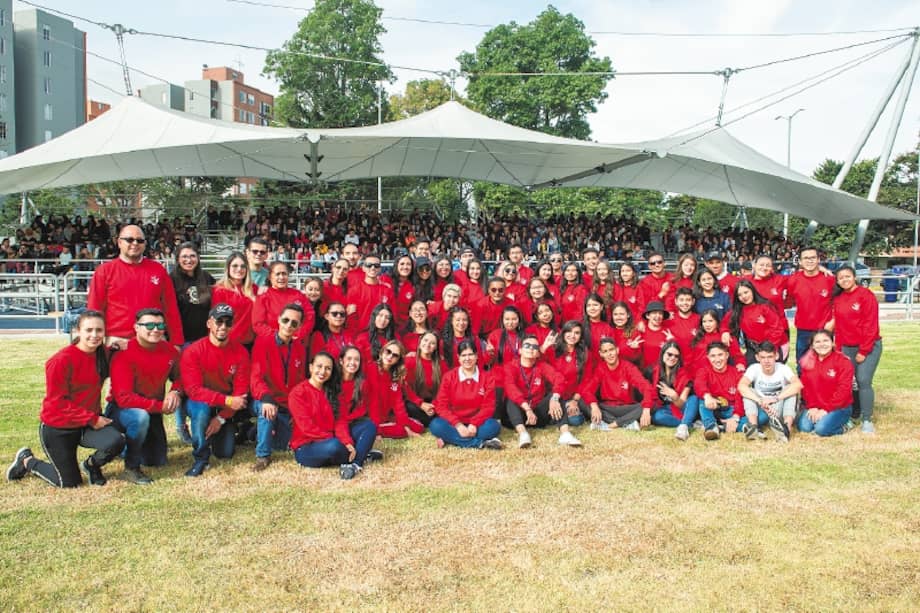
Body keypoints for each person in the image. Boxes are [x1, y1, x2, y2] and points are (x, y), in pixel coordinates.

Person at [7, 311, 125, 488]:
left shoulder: (103, 354)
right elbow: (58, 403)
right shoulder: (61, 361)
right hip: (59, 427)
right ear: (78, 331)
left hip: (86, 425)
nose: (94, 335)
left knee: (116, 440)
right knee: (69, 483)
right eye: (89, 330)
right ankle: (27, 461)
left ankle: (91, 466)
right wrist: (93, 419)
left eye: (99, 330)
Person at [107, 308, 182, 484]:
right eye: (149, 325)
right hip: (123, 410)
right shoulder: (123, 353)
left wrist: (175, 390)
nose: (155, 329)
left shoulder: (170, 351)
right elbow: (124, 398)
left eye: (160, 325)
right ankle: (131, 467)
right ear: (136, 327)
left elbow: (181, 377)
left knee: (157, 460)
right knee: (140, 417)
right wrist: (160, 407)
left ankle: (127, 446)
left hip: (152, 409)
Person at [180, 304, 251, 477]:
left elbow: (240, 395)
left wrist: (221, 418)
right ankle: (201, 458)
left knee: (225, 453)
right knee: (202, 410)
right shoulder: (193, 351)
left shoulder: (240, 352)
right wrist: (227, 401)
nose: (223, 327)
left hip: (223, 408)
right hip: (200, 402)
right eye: (219, 322)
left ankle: (227, 429)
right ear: (209, 323)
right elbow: (194, 390)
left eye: (228, 323)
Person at [87, 224, 184, 349]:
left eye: (140, 240)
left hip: (153, 338)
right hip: (118, 342)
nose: (135, 243)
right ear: (119, 242)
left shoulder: (158, 270)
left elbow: (170, 308)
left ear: (145, 244)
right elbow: (94, 310)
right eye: (129, 239)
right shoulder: (104, 271)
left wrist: (176, 342)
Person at [288, 351, 378, 480]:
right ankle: (362, 453)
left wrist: (346, 441)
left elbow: (340, 421)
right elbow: (307, 428)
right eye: (319, 366)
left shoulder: (332, 391)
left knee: (369, 426)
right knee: (334, 446)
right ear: (310, 367)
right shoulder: (298, 393)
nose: (323, 371)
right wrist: (340, 441)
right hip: (307, 447)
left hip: (334, 438)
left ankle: (356, 464)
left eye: (328, 368)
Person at [249, 304, 308, 471]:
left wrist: (296, 409)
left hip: (285, 403)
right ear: (278, 320)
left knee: (283, 445)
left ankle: (254, 433)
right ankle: (262, 455)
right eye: (286, 320)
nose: (289, 325)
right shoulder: (263, 342)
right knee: (266, 411)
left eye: (294, 323)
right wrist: (266, 399)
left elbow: (299, 382)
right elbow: (256, 377)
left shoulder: (299, 348)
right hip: (265, 399)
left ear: (299, 327)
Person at [504, 333, 583, 448]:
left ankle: (565, 434)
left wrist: (554, 398)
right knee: (511, 399)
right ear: (520, 350)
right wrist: (527, 409)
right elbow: (510, 388)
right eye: (527, 346)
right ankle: (523, 434)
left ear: (538, 353)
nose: (531, 349)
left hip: (537, 415)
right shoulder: (511, 367)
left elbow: (559, 379)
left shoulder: (541, 366)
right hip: (518, 415)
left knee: (556, 395)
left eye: (535, 347)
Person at [829, 265, 882, 434]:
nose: (844, 280)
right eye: (841, 278)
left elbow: (870, 326)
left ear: (854, 277)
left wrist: (863, 351)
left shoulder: (866, 296)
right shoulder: (838, 299)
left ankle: (867, 419)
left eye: (847, 276)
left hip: (867, 345)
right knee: (849, 382)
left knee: (863, 380)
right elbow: (839, 327)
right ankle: (853, 414)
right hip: (846, 346)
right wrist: (838, 349)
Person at [429, 340, 503, 450]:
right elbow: (441, 406)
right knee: (435, 425)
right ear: (458, 357)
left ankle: (450, 438)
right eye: (463, 355)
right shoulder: (449, 377)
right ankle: (479, 443)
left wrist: (474, 424)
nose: (467, 359)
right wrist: (458, 425)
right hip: (454, 421)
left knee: (493, 426)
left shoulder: (487, 378)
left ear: (477, 356)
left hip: (478, 423)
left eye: (470, 354)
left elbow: (488, 407)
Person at [695, 342, 765, 441]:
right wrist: (707, 396)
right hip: (714, 407)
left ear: (727, 355)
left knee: (762, 416)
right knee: (702, 399)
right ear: (708, 357)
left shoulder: (736, 373)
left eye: (720, 355)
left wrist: (735, 417)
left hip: (731, 409)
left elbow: (740, 397)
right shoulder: (704, 371)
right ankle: (711, 426)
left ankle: (729, 426)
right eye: (713, 356)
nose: (717, 359)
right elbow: (699, 385)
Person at [579, 338, 654, 431]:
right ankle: (628, 423)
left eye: (611, 350)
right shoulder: (600, 368)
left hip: (626, 408)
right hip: (607, 407)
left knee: (652, 404)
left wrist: (646, 409)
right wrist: (594, 407)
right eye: (605, 351)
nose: (609, 354)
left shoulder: (628, 367)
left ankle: (612, 424)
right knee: (582, 401)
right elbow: (587, 390)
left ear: (617, 350)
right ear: (601, 354)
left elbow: (646, 386)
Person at [737, 341, 801, 442]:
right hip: (762, 407)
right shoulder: (754, 368)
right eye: (763, 357)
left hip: (778, 407)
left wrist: (775, 399)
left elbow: (798, 385)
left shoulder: (783, 368)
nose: (766, 361)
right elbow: (741, 386)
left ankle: (786, 430)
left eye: (770, 357)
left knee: (791, 389)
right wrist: (759, 401)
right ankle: (754, 428)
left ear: (776, 356)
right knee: (749, 391)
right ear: (757, 358)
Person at [797, 330, 856, 437]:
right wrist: (812, 407)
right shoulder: (807, 361)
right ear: (812, 345)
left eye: (826, 340)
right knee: (804, 428)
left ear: (833, 343)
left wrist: (826, 410)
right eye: (817, 342)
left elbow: (844, 390)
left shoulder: (843, 361)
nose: (822, 344)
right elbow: (804, 388)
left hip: (838, 407)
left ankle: (846, 425)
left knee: (821, 429)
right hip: (815, 406)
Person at [786, 247, 835, 364]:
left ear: (818, 260)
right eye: (806, 258)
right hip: (803, 330)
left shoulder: (830, 279)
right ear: (800, 261)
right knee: (803, 365)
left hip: (825, 329)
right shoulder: (793, 279)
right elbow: (788, 301)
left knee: (827, 365)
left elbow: (840, 303)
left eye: (813, 258)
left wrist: (833, 322)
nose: (809, 261)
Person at [366, 339, 424, 438]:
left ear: (398, 359)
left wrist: (406, 427)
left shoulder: (395, 376)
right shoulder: (371, 368)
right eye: (388, 352)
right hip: (369, 417)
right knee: (401, 430)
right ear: (382, 351)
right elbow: (373, 402)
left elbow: (398, 403)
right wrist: (377, 431)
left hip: (386, 416)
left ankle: (388, 426)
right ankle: (377, 429)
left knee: (419, 428)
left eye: (395, 355)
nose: (390, 357)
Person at [649, 341, 698, 441]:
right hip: (667, 408)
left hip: (684, 408)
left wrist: (674, 396)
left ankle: (684, 426)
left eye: (676, 356)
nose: (672, 358)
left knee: (694, 398)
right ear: (663, 353)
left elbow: (682, 404)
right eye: (669, 354)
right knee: (657, 417)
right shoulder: (653, 372)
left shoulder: (684, 375)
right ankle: (692, 424)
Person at [729, 280, 787, 364]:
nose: (744, 296)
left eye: (746, 292)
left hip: (772, 346)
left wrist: (767, 348)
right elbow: (725, 323)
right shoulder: (738, 311)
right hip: (753, 348)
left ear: (752, 290)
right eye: (740, 295)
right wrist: (725, 332)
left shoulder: (765, 307)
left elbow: (777, 329)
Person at [253, 262, 313, 340]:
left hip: (295, 342)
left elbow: (309, 316)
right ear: (270, 276)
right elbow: (258, 324)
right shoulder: (263, 297)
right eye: (277, 274)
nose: (281, 277)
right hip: (270, 343)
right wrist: (279, 337)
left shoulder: (298, 294)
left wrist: (298, 334)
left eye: (284, 274)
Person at [211, 251, 259, 348]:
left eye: (243, 266)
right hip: (228, 343)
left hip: (250, 341)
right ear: (228, 268)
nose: (239, 269)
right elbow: (216, 320)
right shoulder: (220, 290)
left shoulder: (254, 288)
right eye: (235, 266)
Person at [170, 242, 215, 343]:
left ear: (198, 258)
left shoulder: (206, 277)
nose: (189, 260)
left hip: (205, 338)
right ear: (178, 259)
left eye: (192, 256)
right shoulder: (171, 280)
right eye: (184, 256)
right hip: (182, 340)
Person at [345, 253, 395, 335]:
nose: (373, 268)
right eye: (369, 265)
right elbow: (351, 319)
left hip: (382, 334)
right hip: (361, 335)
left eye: (376, 265)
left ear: (380, 269)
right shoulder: (354, 290)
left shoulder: (387, 290)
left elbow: (392, 315)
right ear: (363, 268)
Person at [403, 331, 443, 427]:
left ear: (436, 348)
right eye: (425, 340)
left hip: (433, 402)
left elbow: (444, 389)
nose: (428, 344)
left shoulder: (440, 364)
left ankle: (431, 420)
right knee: (408, 407)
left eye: (432, 343)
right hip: (415, 402)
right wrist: (421, 404)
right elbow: (405, 387)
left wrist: (434, 405)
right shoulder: (409, 361)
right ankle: (434, 422)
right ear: (420, 342)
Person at [610, 301, 644, 365]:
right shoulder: (608, 331)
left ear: (628, 315)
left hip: (629, 369)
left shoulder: (635, 332)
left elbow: (638, 358)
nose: (618, 317)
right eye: (615, 314)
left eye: (622, 314)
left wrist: (635, 349)